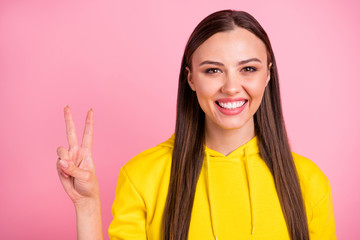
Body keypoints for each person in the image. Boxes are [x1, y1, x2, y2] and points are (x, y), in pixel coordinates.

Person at [56, 10, 336, 240]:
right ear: (190, 79)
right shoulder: (141, 176)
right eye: (213, 70)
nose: (231, 87)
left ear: (268, 75)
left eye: (248, 69)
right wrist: (87, 207)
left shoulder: (309, 182)